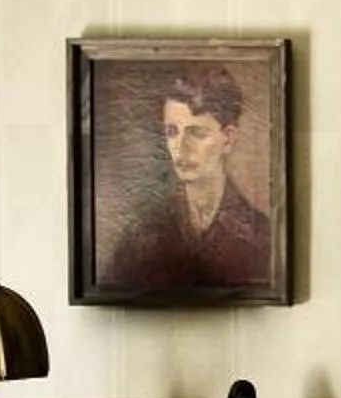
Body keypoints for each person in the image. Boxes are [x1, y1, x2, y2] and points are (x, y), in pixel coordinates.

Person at [103, 65, 275, 295]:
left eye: (197, 133)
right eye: (172, 132)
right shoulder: (142, 235)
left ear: (228, 139)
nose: (181, 149)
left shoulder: (262, 237)